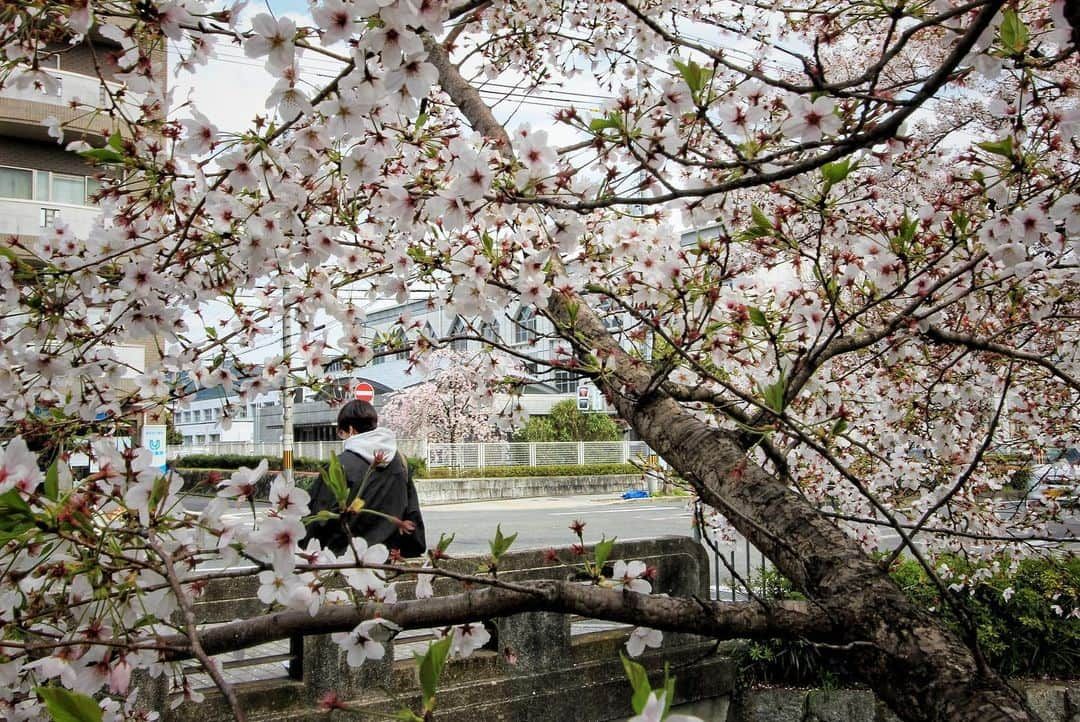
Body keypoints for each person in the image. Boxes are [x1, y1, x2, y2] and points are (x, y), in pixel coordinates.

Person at [302, 399, 426, 557]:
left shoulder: (339, 466)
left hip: (345, 559)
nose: (342, 438)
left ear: (351, 430)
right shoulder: (400, 462)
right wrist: (410, 551)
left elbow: (317, 517)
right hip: (387, 558)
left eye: (342, 433)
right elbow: (411, 510)